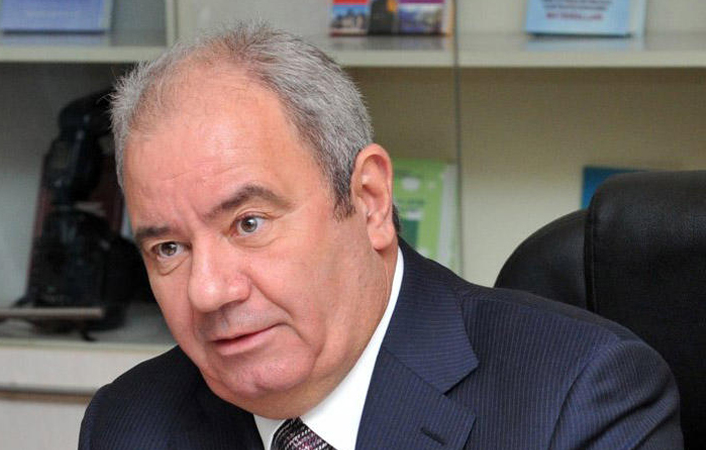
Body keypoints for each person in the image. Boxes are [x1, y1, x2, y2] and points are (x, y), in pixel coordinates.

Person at [79, 23, 683, 449]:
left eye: (249, 223)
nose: (209, 291)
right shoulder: (128, 423)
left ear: (369, 201)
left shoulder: (581, 399)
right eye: (169, 248)